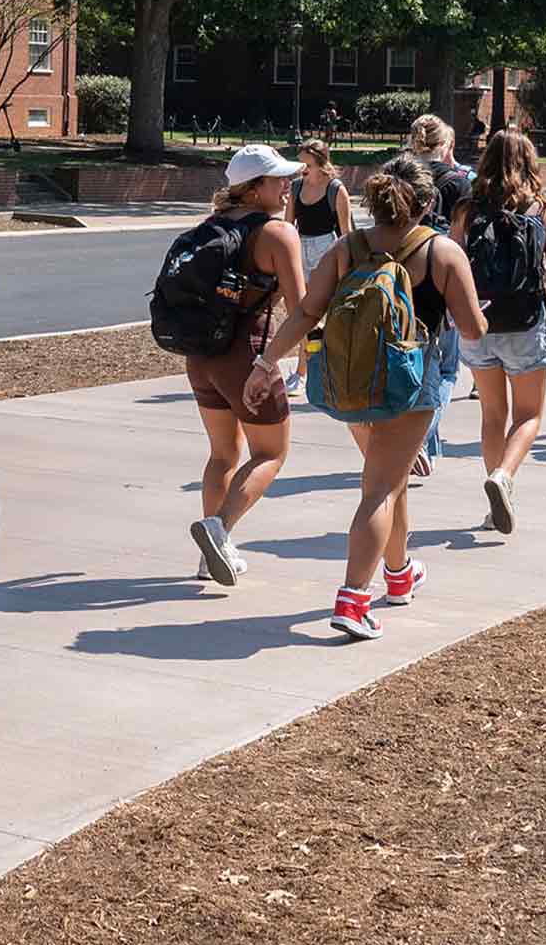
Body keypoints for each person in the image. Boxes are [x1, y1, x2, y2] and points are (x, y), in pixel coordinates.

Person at [245, 155, 486, 640]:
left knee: (389, 479)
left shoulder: (346, 248)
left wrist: (265, 363)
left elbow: (306, 312)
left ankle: (399, 577)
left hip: (350, 381)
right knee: (378, 489)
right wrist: (482, 313)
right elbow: (473, 330)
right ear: (428, 202)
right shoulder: (440, 253)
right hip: (409, 385)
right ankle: (353, 600)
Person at [184, 144, 303, 585]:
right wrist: (282, 360)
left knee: (222, 454)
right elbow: (301, 308)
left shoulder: (209, 226)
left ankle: (208, 555)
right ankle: (219, 529)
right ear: (253, 190)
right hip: (248, 358)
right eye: (279, 179)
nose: (288, 185)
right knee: (271, 452)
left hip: (202, 357)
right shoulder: (276, 233)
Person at [452, 130, 546, 534]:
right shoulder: (542, 209)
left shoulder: (467, 208)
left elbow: (453, 266)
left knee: (491, 414)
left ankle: (493, 500)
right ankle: (504, 476)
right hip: (524, 321)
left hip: (478, 322)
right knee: (529, 414)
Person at [408, 114, 469, 474]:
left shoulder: (396, 176)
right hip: (442, 278)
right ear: (445, 145)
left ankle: (424, 445)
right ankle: (421, 436)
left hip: (400, 278)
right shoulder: (459, 183)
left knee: (415, 366)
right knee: (446, 368)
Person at [288, 138, 352, 395]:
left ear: (321, 164)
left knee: (327, 313)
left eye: (307, 166)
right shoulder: (295, 188)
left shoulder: (336, 189)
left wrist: (346, 272)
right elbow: (288, 225)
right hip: (300, 247)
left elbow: (347, 234)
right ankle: (302, 371)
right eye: (301, 165)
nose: (302, 171)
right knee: (303, 313)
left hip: (327, 248)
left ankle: (332, 369)